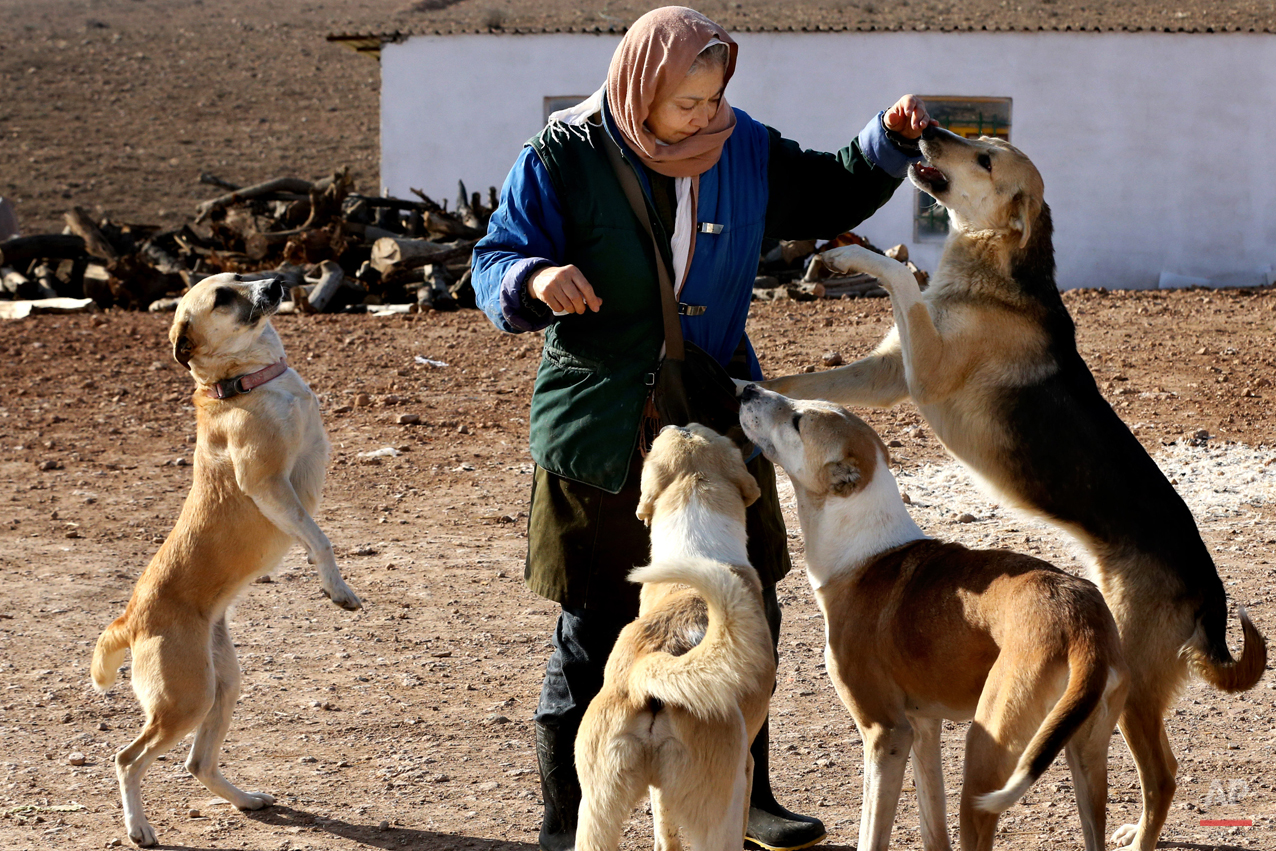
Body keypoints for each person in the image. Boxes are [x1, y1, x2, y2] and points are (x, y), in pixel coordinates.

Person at [472, 7, 935, 850]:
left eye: (714, 97)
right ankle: (569, 821)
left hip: (714, 408)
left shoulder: (742, 144)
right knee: (597, 620)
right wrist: (535, 278)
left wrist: (887, 141)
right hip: (602, 423)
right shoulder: (562, 155)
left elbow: (828, 185)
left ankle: (741, 792)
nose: (703, 117)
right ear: (641, 87)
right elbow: (494, 255)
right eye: (685, 103)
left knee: (748, 600)